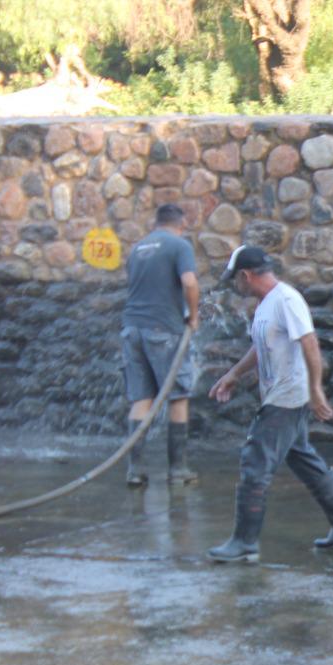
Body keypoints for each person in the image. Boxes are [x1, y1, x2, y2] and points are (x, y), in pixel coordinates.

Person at [206, 245, 333, 563]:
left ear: (245, 275)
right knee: (302, 457)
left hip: (287, 396)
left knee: (255, 464)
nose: (236, 287)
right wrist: (234, 374)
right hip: (281, 394)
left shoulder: (287, 300)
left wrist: (315, 390)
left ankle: (244, 543)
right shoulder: (266, 305)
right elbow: (260, 348)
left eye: (235, 280)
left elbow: (309, 341)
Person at [120, 203, 200, 486]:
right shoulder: (179, 245)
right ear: (182, 224)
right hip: (164, 329)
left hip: (132, 328)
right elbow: (189, 282)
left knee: (142, 398)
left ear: (156, 223)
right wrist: (193, 315)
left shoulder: (138, 248)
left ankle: (135, 471)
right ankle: (177, 470)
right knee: (177, 395)